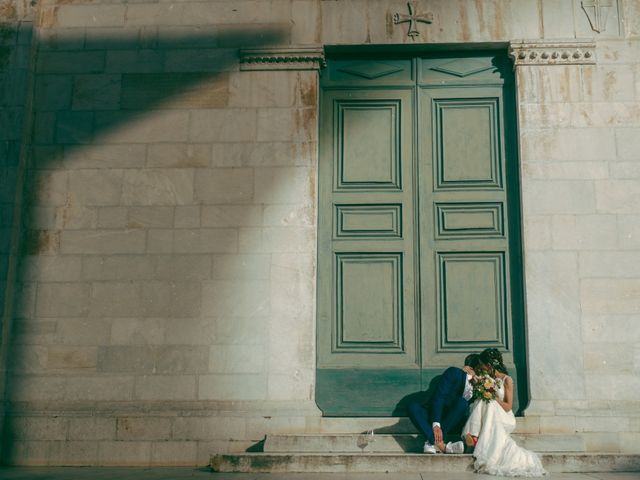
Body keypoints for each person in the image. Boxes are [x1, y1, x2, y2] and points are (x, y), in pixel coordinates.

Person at [462, 348, 546, 476]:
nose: (481, 367)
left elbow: (508, 406)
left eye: (482, 365)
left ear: (489, 365)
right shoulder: (486, 378)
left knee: (489, 402)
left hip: (504, 415)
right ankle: (475, 436)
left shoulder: (507, 380)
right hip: (490, 414)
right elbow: (475, 384)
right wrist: (471, 375)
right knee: (482, 400)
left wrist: (492, 396)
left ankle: (475, 437)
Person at [407, 353, 481, 454]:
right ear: (473, 368)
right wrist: (436, 424)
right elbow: (439, 397)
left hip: (453, 422)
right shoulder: (455, 373)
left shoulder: (481, 387)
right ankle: (441, 445)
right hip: (434, 415)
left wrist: (479, 386)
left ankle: (431, 442)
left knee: (463, 403)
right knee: (412, 407)